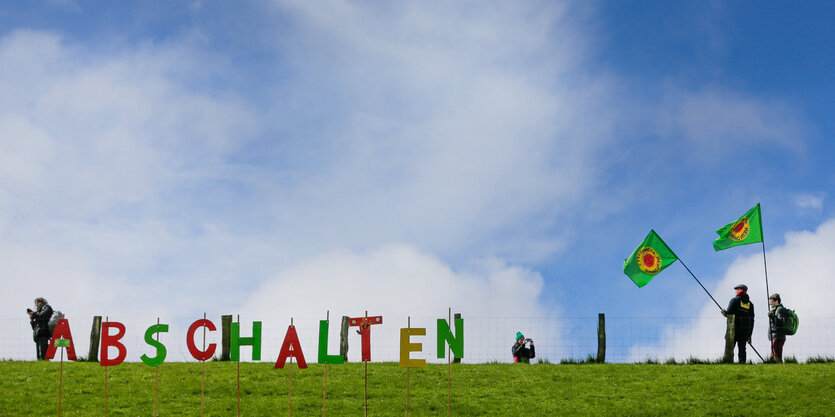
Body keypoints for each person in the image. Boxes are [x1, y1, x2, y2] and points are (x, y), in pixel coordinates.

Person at [721, 284, 755, 363]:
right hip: (745, 332)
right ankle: (742, 364)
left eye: (737, 289)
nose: (735, 291)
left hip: (733, 330)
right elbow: (752, 320)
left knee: (730, 348)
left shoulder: (734, 300)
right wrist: (750, 334)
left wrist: (723, 312)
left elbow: (729, 314)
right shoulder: (750, 304)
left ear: (740, 290)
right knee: (742, 349)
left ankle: (728, 362)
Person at [768, 293, 788, 363]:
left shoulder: (780, 310)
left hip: (778, 336)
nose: (770, 303)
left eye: (771, 301)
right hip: (775, 336)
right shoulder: (776, 309)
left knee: (777, 355)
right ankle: (774, 366)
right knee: (774, 354)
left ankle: (779, 367)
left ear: (776, 301)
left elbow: (780, 322)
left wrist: (772, 316)